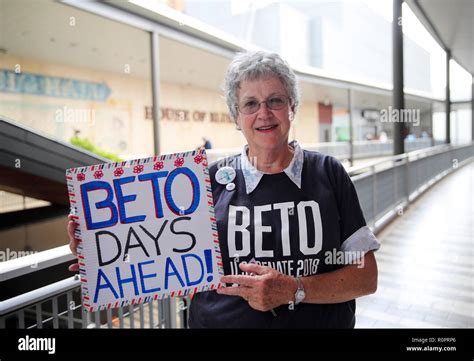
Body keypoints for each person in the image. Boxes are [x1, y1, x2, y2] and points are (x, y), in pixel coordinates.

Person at [67, 50, 380, 328]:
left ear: (292, 107)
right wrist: (102, 253)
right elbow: (157, 260)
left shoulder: (329, 173)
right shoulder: (201, 184)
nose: (264, 113)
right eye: (250, 104)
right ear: (236, 117)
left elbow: (366, 277)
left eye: (275, 100)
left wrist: (293, 289)